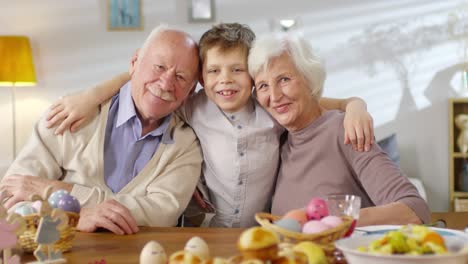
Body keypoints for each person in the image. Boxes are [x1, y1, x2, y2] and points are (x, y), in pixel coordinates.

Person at [45, 23, 374, 227]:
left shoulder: (269, 106)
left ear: (254, 74)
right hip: (204, 228)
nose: (225, 81)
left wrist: (354, 105)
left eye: (237, 70)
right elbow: (145, 83)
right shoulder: (192, 104)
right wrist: (91, 95)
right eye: (214, 71)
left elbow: (315, 104)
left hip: (256, 228)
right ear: (200, 79)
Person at [0, 25, 203, 235]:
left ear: (190, 91)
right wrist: (72, 219)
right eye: (159, 67)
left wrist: (60, 194)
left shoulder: (185, 144)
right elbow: (11, 195)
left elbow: (160, 215)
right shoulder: (69, 115)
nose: (166, 83)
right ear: (134, 63)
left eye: (180, 77)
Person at [248, 32, 430, 225]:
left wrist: (323, 219)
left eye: (284, 79)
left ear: (309, 78)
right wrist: (353, 103)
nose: (274, 96)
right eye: (263, 86)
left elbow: (413, 210)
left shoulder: (345, 131)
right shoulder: (277, 136)